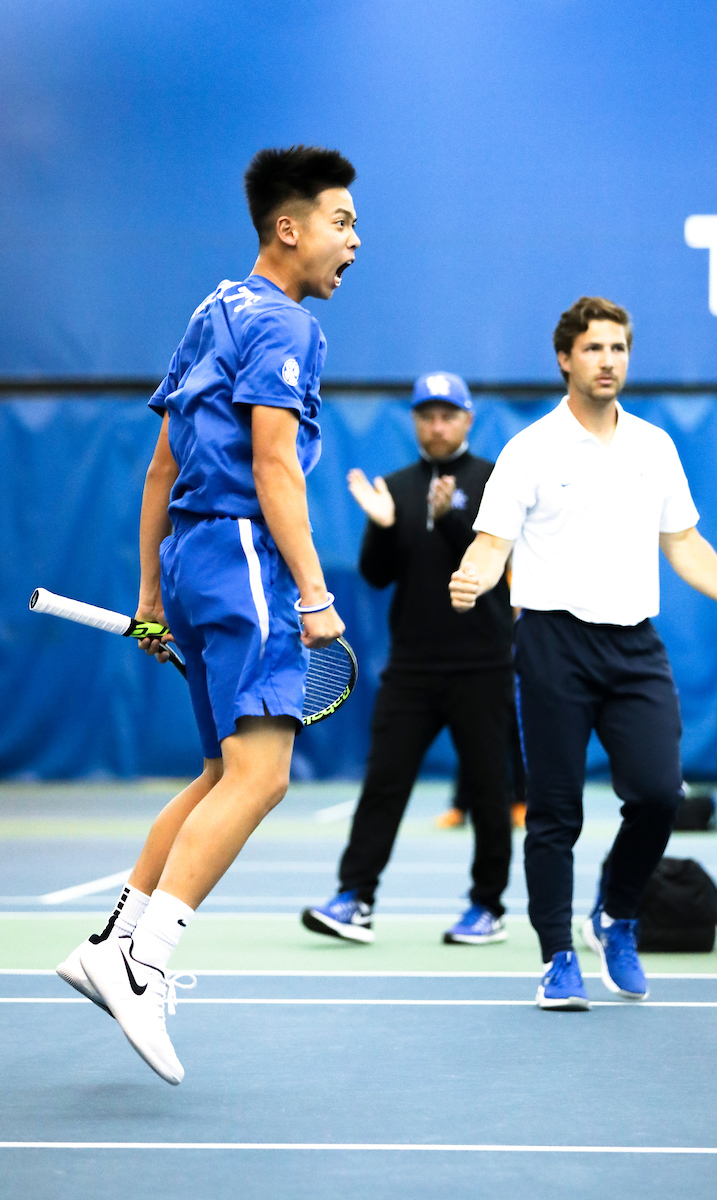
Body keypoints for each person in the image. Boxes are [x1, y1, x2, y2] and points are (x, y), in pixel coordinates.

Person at [55, 145, 360, 1083]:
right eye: (342, 223)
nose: (355, 241)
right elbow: (273, 466)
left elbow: (159, 468)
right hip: (242, 554)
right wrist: (314, 592)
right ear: (290, 226)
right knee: (263, 778)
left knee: (221, 770)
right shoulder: (288, 327)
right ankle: (140, 962)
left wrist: (153, 593)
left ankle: (110, 936)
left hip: (191, 559)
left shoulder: (211, 309)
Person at [449, 296, 717, 1009]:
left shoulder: (654, 446)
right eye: (595, 348)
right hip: (552, 642)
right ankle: (556, 958)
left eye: (619, 348)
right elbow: (493, 540)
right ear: (566, 358)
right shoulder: (530, 448)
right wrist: (475, 573)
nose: (609, 361)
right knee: (555, 813)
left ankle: (615, 916)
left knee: (660, 795)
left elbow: (683, 541)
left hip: (635, 646)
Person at [302, 373, 515, 945]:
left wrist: (447, 518)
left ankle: (487, 907)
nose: (437, 424)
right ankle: (354, 899)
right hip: (412, 670)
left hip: (483, 664)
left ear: (468, 419)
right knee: (384, 785)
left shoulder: (496, 482)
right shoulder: (393, 486)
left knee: (490, 790)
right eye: (427, 415)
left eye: (448, 414)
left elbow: (480, 566)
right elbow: (376, 575)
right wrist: (381, 526)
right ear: (416, 421)